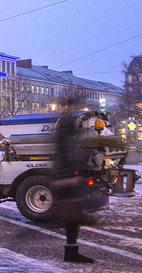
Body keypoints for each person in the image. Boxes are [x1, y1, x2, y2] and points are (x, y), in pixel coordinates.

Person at [53, 95, 94, 264]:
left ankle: (71, 251)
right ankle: (70, 253)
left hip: (65, 176)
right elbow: (68, 153)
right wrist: (76, 174)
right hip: (67, 178)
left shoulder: (64, 123)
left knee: (73, 217)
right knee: (73, 216)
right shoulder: (66, 124)